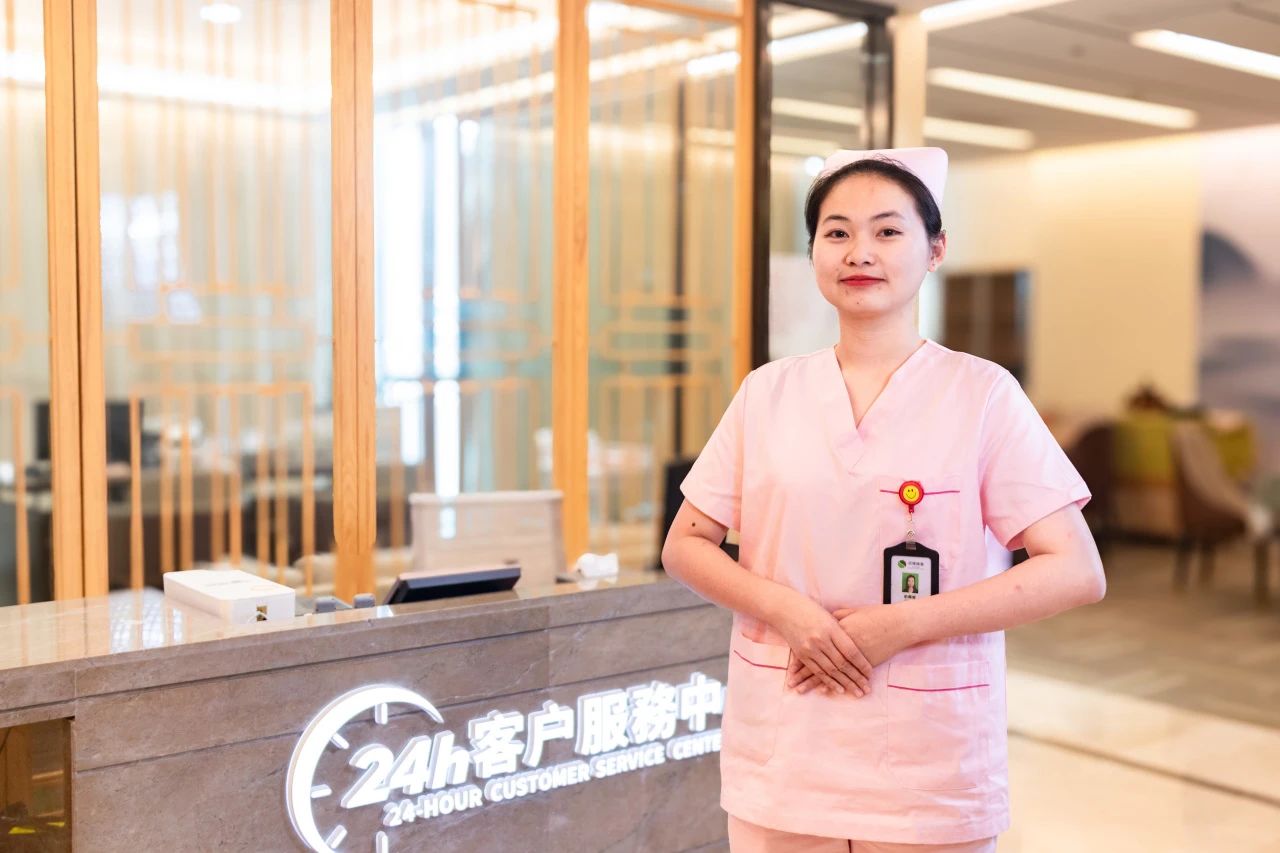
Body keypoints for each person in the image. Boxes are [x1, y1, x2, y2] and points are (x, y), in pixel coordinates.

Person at [661, 147, 1105, 852]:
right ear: (814, 251)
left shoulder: (982, 394)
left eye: (888, 231)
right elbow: (686, 544)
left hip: (928, 761)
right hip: (786, 747)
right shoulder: (767, 393)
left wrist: (899, 626)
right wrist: (790, 613)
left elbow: (1075, 570)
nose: (858, 251)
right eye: (836, 232)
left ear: (936, 249)